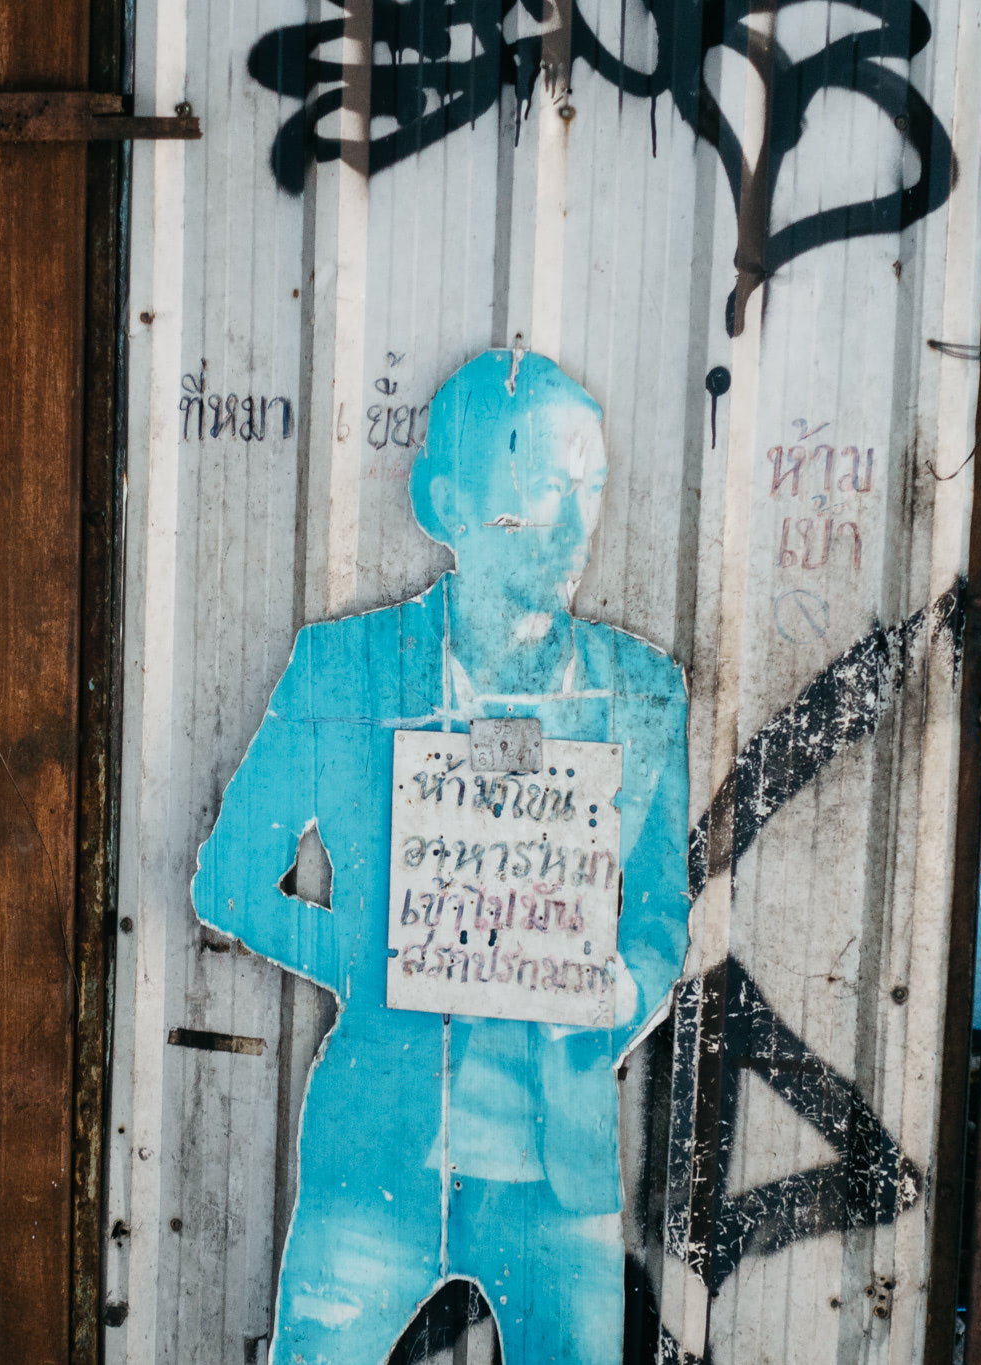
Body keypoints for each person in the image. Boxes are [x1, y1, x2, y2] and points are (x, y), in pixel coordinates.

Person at [193, 349, 689, 1363]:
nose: (574, 523)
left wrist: (621, 991)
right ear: (450, 503)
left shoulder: (640, 692)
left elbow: (657, 921)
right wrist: (373, 958)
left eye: (589, 486)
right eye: (540, 486)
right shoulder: (346, 666)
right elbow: (230, 882)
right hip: (377, 1155)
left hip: (560, 1177)